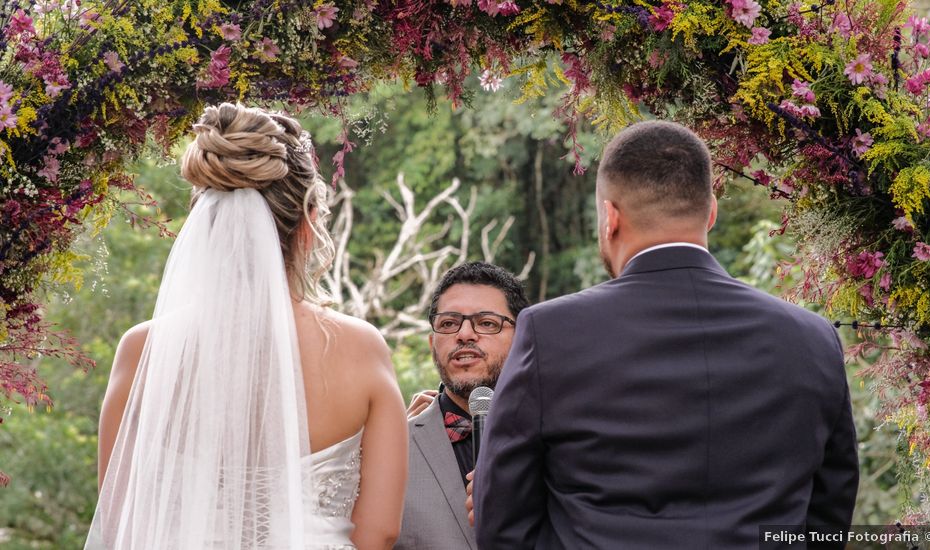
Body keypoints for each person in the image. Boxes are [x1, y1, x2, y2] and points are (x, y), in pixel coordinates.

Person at [473, 120, 859, 548]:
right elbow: (830, 509)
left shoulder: (550, 333)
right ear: (710, 212)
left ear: (610, 218)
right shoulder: (812, 338)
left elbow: (503, 521)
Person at [87, 103, 407, 550]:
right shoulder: (360, 348)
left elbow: (121, 524)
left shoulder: (143, 349)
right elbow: (380, 532)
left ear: (204, 227)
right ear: (308, 226)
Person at [394, 262, 528, 550]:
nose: (465, 334)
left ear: (523, 339)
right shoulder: (389, 450)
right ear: (432, 343)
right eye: (449, 323)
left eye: (487, 322)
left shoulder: (564, 439)